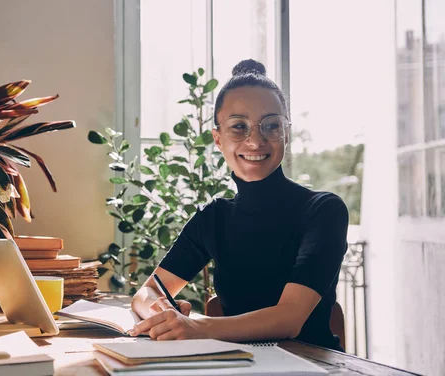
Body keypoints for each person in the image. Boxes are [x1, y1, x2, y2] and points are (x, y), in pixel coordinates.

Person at [130, 59, 348, 351]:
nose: (255, 141)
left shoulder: (324, 211)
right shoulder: (213, 217)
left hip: (312, 367)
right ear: (218, 139)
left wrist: (195, 327)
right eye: (239, 127)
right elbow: (147, 292)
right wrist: (161, 314)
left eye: (271, 125)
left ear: (286, 133)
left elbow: (289, 320)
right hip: (238, 365)